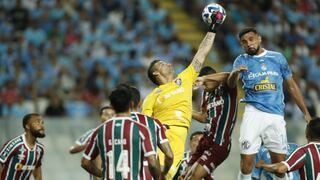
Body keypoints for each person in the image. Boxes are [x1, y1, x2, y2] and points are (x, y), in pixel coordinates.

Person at [227, 27, 311, 180]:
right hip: (253, 114)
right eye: (244, 42)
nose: (248, 44)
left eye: (251, 39)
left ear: (259, 38)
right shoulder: (241, 60)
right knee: (246, 164)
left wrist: (305, 112)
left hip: (275, 116)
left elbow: (292, 86)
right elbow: (231, 84)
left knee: (280, 167)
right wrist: (235, 73)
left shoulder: (277, 58)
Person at [142, 29, 217, 178]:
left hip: (180, 137)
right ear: (156, 73)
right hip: (162, 136)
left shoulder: (184, 79)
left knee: (168, 176)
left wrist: (212, 29)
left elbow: (201, 53)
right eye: (161, 63)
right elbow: (145, 125)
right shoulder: (152, 96)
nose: (167, 63)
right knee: (155, 174)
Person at [81, 88, 161, 179]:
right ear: (131, 104)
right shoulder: (141, 130)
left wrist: (102, 174)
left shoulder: (100, 131)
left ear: (111, 106)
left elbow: (85, 162)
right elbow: (153, 162)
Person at [185, 66, 238, 179]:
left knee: (193, 178)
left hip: (219, 144)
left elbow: (228, 75)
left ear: (212, 79)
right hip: (205, 141)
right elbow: (204, 117)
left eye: (205, 84)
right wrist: (186, 111)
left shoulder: (227, 87)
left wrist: (204, 78)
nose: (203, 87)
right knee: (186, 175)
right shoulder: (206, 94)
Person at [120, 84, 173, 179]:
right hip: (149, 175)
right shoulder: (153, 123)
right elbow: (169, 155)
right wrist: (164, 172)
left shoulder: (113, 124)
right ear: (140, 103)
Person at [70, 106, 115, 180]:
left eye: (112, 115)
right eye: (106, 114)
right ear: (101, 117)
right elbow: (72, 149)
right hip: (100, 174)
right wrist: (90, 145)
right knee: (98, 150)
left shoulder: (121, 133)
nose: (110, 117)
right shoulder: (93, 133)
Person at [0, 113, 45, 180]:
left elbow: (37, 173)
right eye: (37, 123)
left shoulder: (40, 149)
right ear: (27, 126)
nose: (41, 126)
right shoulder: (14, 144)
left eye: (42, 123)